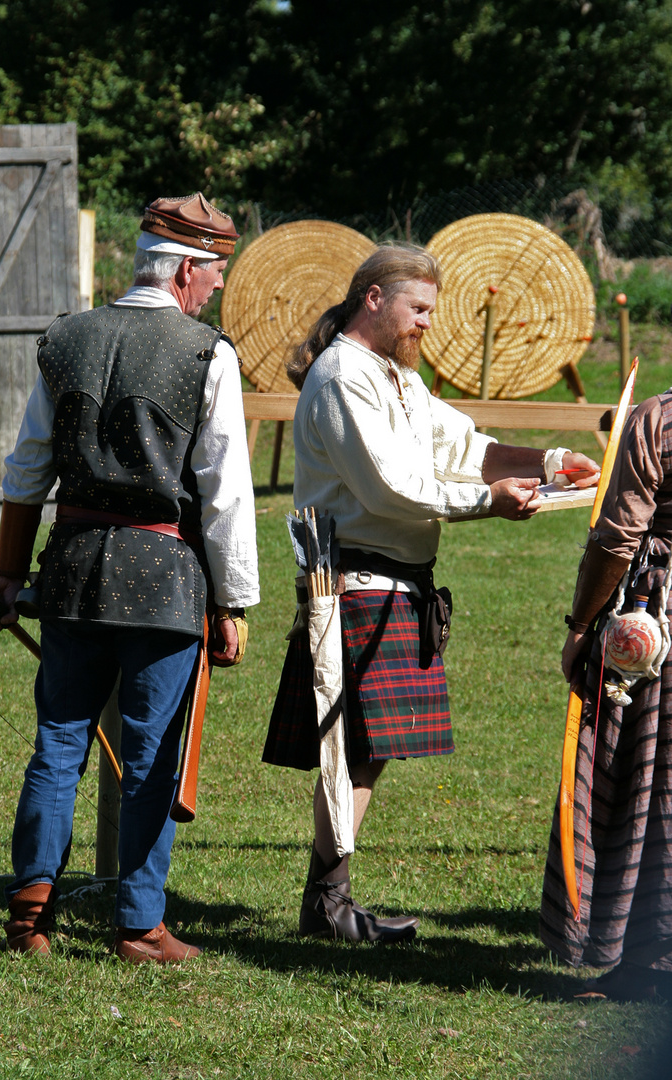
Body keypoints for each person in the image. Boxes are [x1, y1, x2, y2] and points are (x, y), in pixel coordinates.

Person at [263, 243, 599, 943]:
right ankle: (326, 903)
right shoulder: (341, 377)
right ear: (374, 298)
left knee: (366, 748)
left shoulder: (397, 377)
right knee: (350, 747)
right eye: (418, 309)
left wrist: (547, 461)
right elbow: (385, 486)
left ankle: (327, 900)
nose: (426, 324)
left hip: (394, 580)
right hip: (353, 578)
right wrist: (487, 502)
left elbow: (465, 444)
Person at [0, 192, 260, 964]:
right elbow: (226, 487)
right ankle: (139, 927)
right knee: (148, 756)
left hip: (69, 570)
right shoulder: (208, 352)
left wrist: (9, 576)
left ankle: (28, 919)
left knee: (58, 745)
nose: (214, 291)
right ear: (184, 273)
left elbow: (25, 470)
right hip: (164, 578)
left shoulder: (65, 338)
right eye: (213, 276)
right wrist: (232, 600)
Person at [540, 390, 672, 1000]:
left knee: (647, 773)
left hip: (655, 620)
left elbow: (618, 535)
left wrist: (580, 626)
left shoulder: (659, 419)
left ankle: (647, 959)